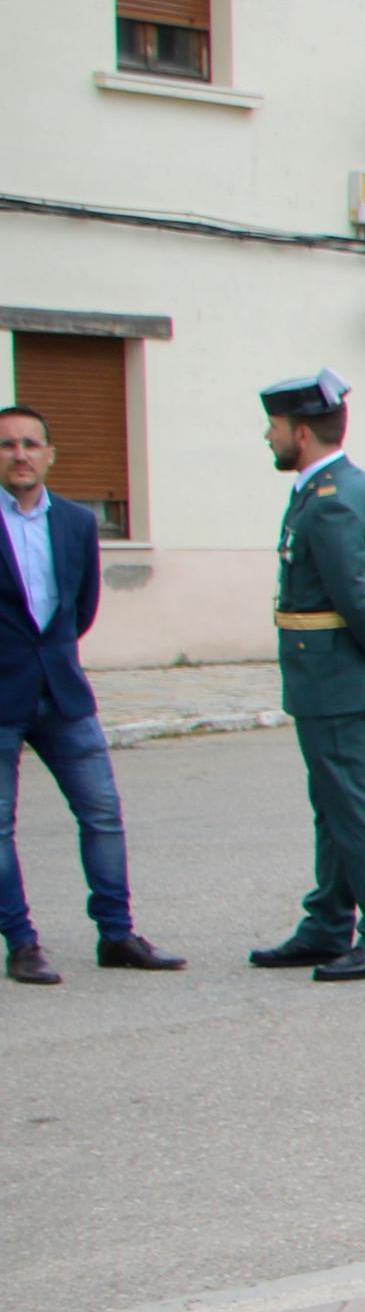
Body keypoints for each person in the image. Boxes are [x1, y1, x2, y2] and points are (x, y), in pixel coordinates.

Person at [245, 371, 365, 982]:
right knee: (334, 805)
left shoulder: (332, 498)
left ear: (300, 431)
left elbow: (355, 593)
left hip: (336, 678)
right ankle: (326, 924)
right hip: (336, 677)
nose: (268, 437)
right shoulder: (346, 486)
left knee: (351, 808)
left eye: (274, 427)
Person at [0, 404, 180, 984]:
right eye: (7, 445)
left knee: (102, 814)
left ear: (51, 454)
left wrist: (50, 662)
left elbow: (81, 610)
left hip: (64, 695)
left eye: (31, 444)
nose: (20, 454)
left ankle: (117, 934)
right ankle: (22, 944)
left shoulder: (76, 522)